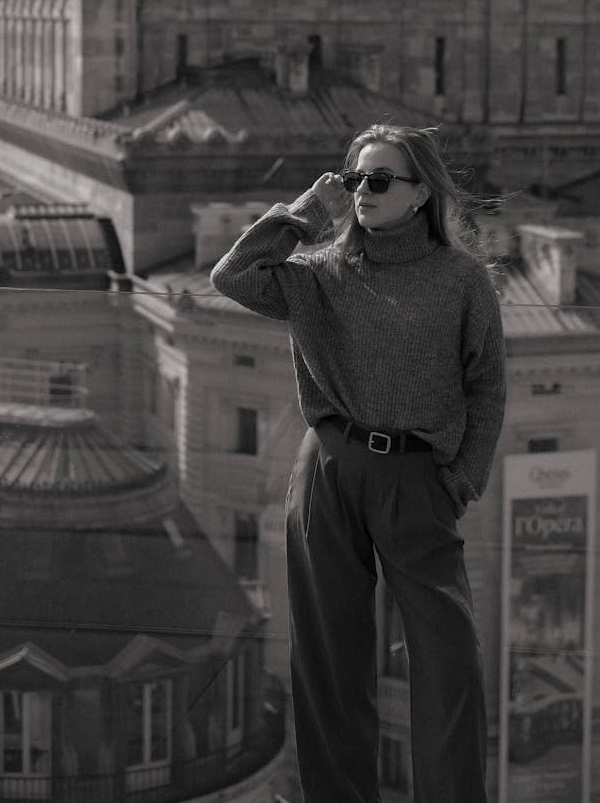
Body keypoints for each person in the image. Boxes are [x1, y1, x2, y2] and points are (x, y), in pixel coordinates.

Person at [211, 123, 506, 803]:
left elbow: (486, 384)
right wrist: (306, 212)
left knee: (447, 657)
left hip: (417, 479)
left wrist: (462, 479)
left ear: (420, 192)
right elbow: (229, 277)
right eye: (354, 180)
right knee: (327, 658)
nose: (363, 192)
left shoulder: (460, 279)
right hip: (329, 470)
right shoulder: (321, 273)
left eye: (379, 180)